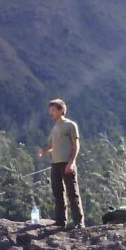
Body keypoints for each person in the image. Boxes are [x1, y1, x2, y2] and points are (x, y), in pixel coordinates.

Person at [37, 98, 84, 230]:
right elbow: (51, 145)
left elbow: (76, 145)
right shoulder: (55, 128)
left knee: (72, 193)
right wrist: (43, 151)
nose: (50, 113)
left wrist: (72, 162)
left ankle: (79, 222)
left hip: (66, 163)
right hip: (55, 163)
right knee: (58, 192)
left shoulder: (70, 125)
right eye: (50, 110)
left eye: (53, 110)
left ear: (61, 110)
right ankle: (60, 220)